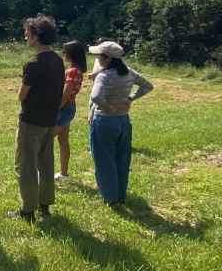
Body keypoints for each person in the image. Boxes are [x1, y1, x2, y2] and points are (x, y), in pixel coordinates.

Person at [8, 14, 65, 222]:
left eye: (28, 33)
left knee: (25, 166)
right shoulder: (58, 61)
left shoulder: (33, 64)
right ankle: (45, 205)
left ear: (36, 36)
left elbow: (21, 95)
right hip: (50, 120)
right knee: (46, 163)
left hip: (31, 121)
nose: (25, 36)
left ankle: (27, 210)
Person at [88, 40, 153, 205]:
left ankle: (109, 198)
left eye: (99, 55)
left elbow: (95, 97)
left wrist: (107, 106)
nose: (97, 58)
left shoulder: (104, 76)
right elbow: (147, 86)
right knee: (122, 159)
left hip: (104, 121)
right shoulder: (129, 73)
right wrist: (130, 98)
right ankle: (119, 196)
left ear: (108, 58)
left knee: (104, 161)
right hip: (123, 121)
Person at [54, 41, 86, 181]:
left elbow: (64, 95)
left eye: (64, 51)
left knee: (46, 140)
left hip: (64, 109)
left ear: (71, 54)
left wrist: (55, 110)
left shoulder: (72, 71)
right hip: (69, 107)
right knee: (63, 141)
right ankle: (63, 173)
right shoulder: (77, 70)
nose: (63, 54)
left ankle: (45, 174)